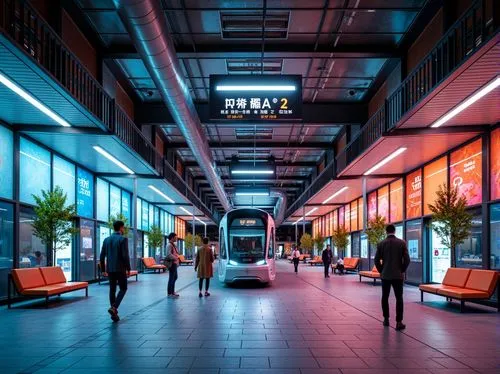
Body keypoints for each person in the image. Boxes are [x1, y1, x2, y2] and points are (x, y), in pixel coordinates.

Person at [375, 224, 411, 331]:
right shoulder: (401, 243)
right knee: (399, 298)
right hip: (397, 276)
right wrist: (402, 270)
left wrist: (382, 271)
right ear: (394, 231)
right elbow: (407, 259)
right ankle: (398, 322)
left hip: (385, 275)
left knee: (384, 297)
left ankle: (386, 319)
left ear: (386, 231)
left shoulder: (381, 244)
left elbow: (376, 260)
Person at [100, 220, 130, 322]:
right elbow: (125, 256)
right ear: (121, 228)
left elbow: (102, 256)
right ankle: (114, 307)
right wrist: (128, 268)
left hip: (110, 269)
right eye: (123, 227)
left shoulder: (106, 240)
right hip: (120, 269)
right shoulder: (123, 239)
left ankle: (114, 315)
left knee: (112, 290)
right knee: (123, 288)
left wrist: (103, 270)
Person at [166, 232, 180, 298]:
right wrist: (175, 258)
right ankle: (170, 293)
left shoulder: (173, 244)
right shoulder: (169, 245)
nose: (176, 238)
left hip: (174, 263)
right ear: (172, 237)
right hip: (172, 263)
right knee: (172, 278)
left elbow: (175, 252)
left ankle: (172, 292)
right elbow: (168, 254)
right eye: (175, 237)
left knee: (174, 277)